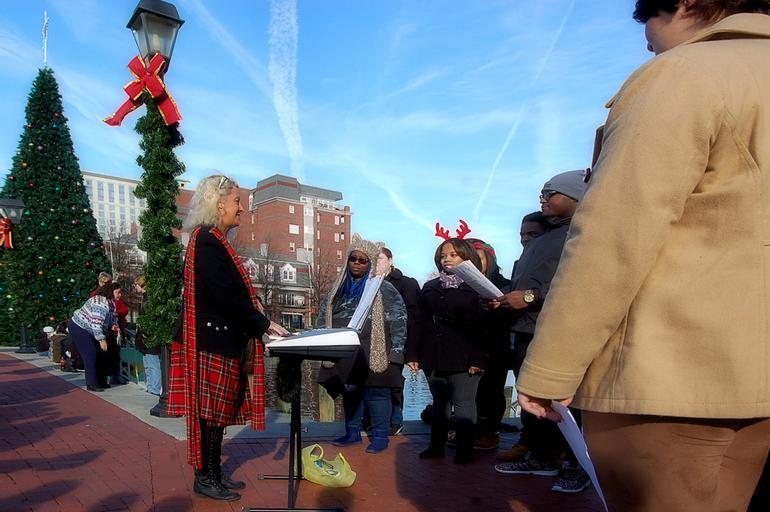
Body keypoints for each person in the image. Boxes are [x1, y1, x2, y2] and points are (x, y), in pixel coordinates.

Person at [515, 2, 770, 510]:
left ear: (685, 4)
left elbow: (614, 234)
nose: (647, 41)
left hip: (673, 373)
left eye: (648, 22)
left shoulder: (686, 74)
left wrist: (550, 368)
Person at [167, 174, 288, 502]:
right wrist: (262, 324)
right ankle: (205, 477)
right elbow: (224, 295)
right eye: (237, 201)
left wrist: (260, 321)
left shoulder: (213, 240)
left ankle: (213, 473)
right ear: (218, 204)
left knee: (217, 413)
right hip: (211, 341)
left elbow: (228, 295)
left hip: (217, 338)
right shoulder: (207, 240)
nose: (242, 208)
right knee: (211, 413)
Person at [492, 170, 591, 495]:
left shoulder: (585, 232)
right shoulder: (543, 238)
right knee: (532, 401)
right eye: (542, 194)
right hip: (526, 331)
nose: (543, 199)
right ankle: (542, 456)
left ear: (576, 195)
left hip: (558, 333)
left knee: (568, 404)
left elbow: (580, 282)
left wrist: (529, 297)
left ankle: (579, 465)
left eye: (551, 193)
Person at [318, 238, 407, 454]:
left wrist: (396, 352)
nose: (357, 263)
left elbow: (399, 319)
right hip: (345, 348)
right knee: (350, 390)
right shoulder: (337, 288)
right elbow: (323, 315)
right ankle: (352, 433)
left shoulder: (384, 287)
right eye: (353, 259)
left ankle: (380, 436)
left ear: (370, 263)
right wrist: (322, 343)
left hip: (375, 348)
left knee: (377, 393)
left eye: (363, 260)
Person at [408, 229, 487, 464]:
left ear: (466, 257)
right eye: (443, 255)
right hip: (434, 353)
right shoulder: (430, 286)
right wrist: (412, 353)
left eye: (453, 255)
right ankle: (436, 446)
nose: (447, 259)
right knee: (439, 404)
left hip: (465, 354)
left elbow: (486, 327)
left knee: (464, 403)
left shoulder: (479, 287)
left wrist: (478, 358)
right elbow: (419, 321)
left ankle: (465, 450)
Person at [465, 238, 511, 451]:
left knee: (491, 390)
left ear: (489, 260)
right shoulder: (462, 285)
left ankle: (491, 431)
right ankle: (471, 429)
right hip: (467, 345)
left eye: (478, 259)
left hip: (494, 346)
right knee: (469, 393)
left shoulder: (505, 285)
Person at [375, 247, 421, 435]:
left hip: (397, 343)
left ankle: (395, 420)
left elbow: (415, 319)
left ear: (390, 260)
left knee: (393, 382)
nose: (376, 262)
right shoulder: (368, 284)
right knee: (371, 384)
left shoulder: (406, 284)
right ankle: (373, 420)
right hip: (372, 343)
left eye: (380, 258)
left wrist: (412, 353)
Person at [68, 282, 120, 392]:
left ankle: (101, 380)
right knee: (90, 353)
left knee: (101, 353)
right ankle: (91, 383)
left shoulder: (111, 303)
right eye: (118, 292)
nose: (120, 295)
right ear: (111, 291)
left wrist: (113, 326)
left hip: (91, 329)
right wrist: (102, 340)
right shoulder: (100, 303)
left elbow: (110, 319)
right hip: (80, 327)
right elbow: (96, 323)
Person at [133, 275, 161, 396]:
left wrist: (145, 336)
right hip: (146, 339)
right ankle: (151, 388)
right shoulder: (146, 298)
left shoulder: (148, 300)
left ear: (141, 284)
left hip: (149, 340)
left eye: (135, 284)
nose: (134, 287)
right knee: (149, 365)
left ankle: (154, 389)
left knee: (152, 365)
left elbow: (149, 321)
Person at [100, 283, 129, 387]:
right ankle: (108, 376)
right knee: (107, 355)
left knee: (115, 355)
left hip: (117, 332)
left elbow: (125, 310)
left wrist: (117, 312)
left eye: (120, 292)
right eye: (117, 292)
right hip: (107, 333)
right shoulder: (106, 302)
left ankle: (115, 375)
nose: (119, 295)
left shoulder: (118, 302)